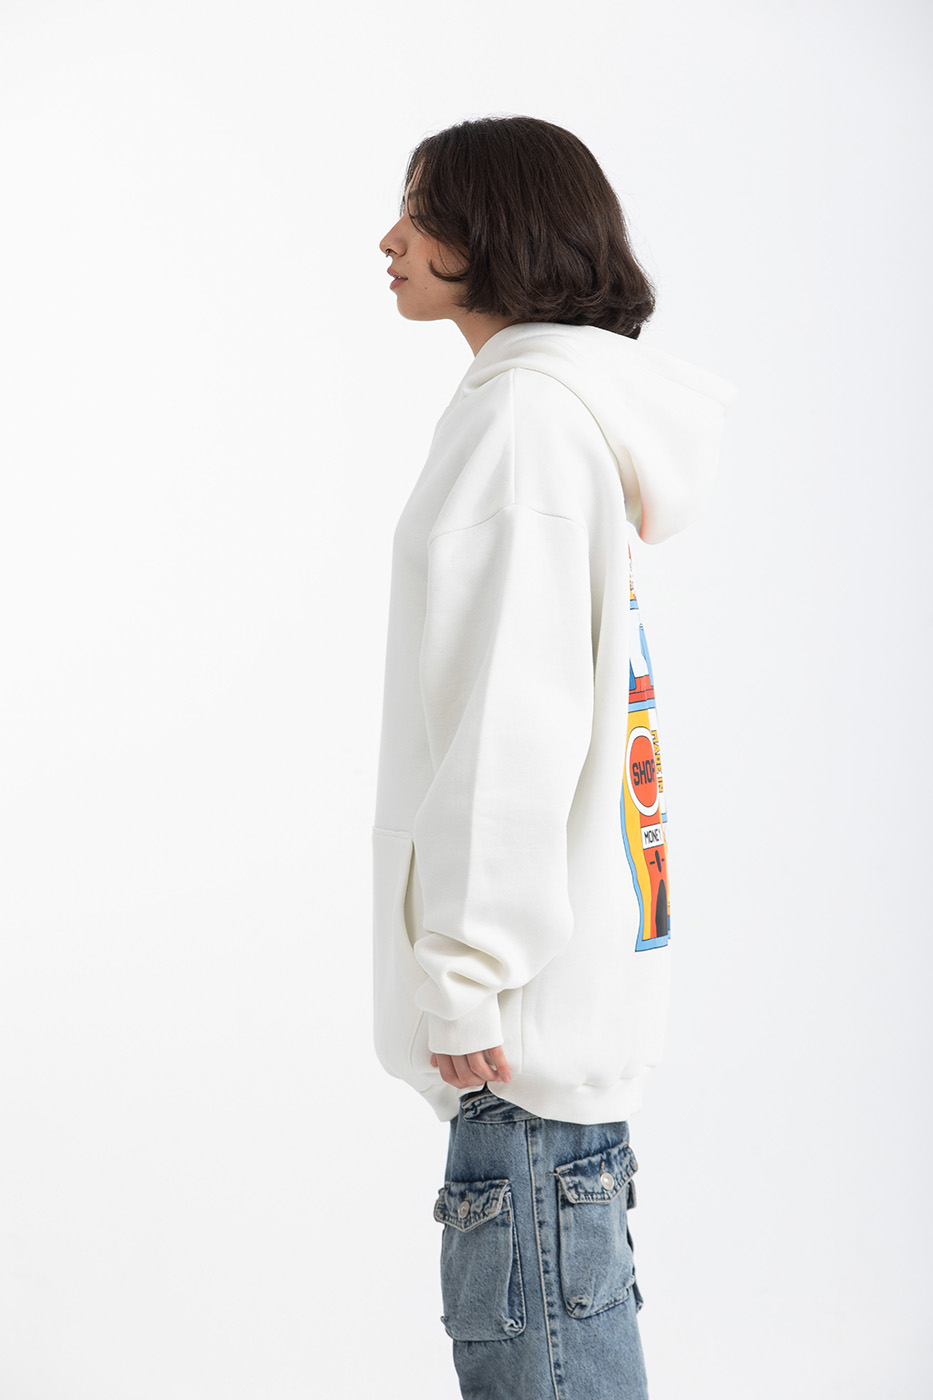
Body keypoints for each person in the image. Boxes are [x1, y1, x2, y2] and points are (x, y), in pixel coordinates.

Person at [373, 115, 738, 1400]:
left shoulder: (524, 423)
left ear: (496, 230)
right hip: (557, 1014)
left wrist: (464, 970)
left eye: (421, 211)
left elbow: (513, 719)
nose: (390, 239)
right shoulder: (556, 416)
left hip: (517, 1031)